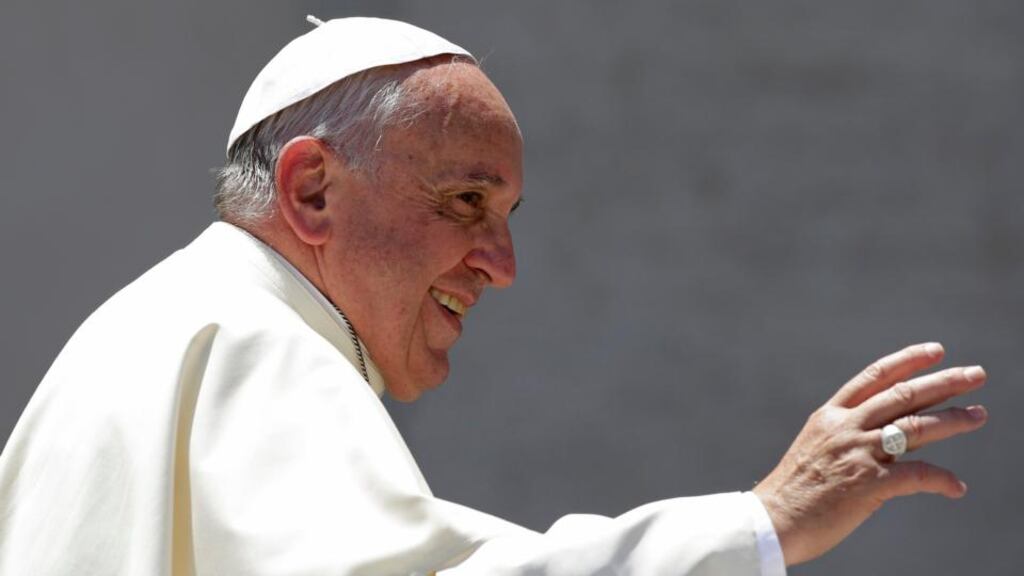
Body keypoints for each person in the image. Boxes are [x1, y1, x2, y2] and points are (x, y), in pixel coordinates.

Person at [0, 16, 987, 575]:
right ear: (309, 191)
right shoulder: (247, 338)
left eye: (507, 212)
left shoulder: (151, 333)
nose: (501, 262)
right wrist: (764, 522)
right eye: (465, 199)